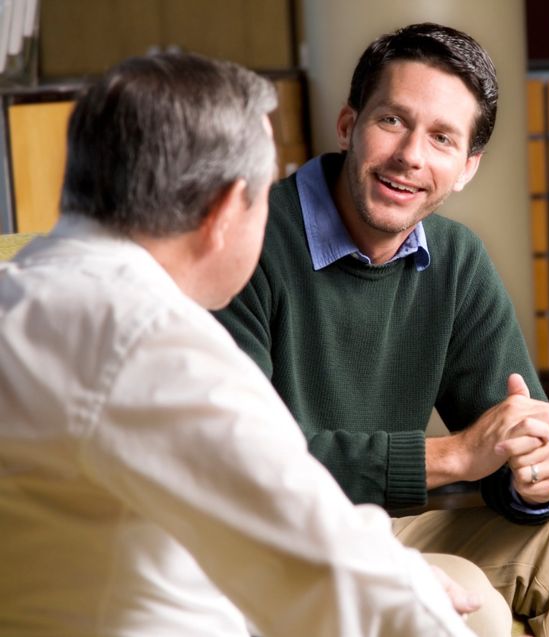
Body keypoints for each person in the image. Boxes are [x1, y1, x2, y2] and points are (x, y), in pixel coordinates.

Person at [0, 52, 478, 637]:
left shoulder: (20, 293)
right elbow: (327, 563)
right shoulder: (152, 342)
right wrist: (413, 585)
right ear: (226, 209)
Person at [214, 23, 549, 637]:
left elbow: (532, 437)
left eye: (442, 138)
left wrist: (536, 474)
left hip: (380, 530)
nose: (411, 156)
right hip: (269, 543)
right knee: (473, 603)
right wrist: (457, 455)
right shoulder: (247, 244)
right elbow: (242, 464)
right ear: (348, 125)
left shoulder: (455, 259)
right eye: (392, 121)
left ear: (467, 167)